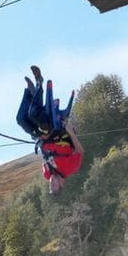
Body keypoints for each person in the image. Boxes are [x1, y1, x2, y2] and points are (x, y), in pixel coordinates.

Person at [17, 66, 84, 195]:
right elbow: (80, 151)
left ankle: (31, 92)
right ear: (62, 184)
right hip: (56, 133)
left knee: (21, 119)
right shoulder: (71, 168)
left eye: (50, 186)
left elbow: (46, 154)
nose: (51, 183)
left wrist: (40, 141)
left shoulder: (47, 173)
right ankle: (39, 84)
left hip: (43, 138)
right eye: (55, 185)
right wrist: (70, 131)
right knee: (33, 114)